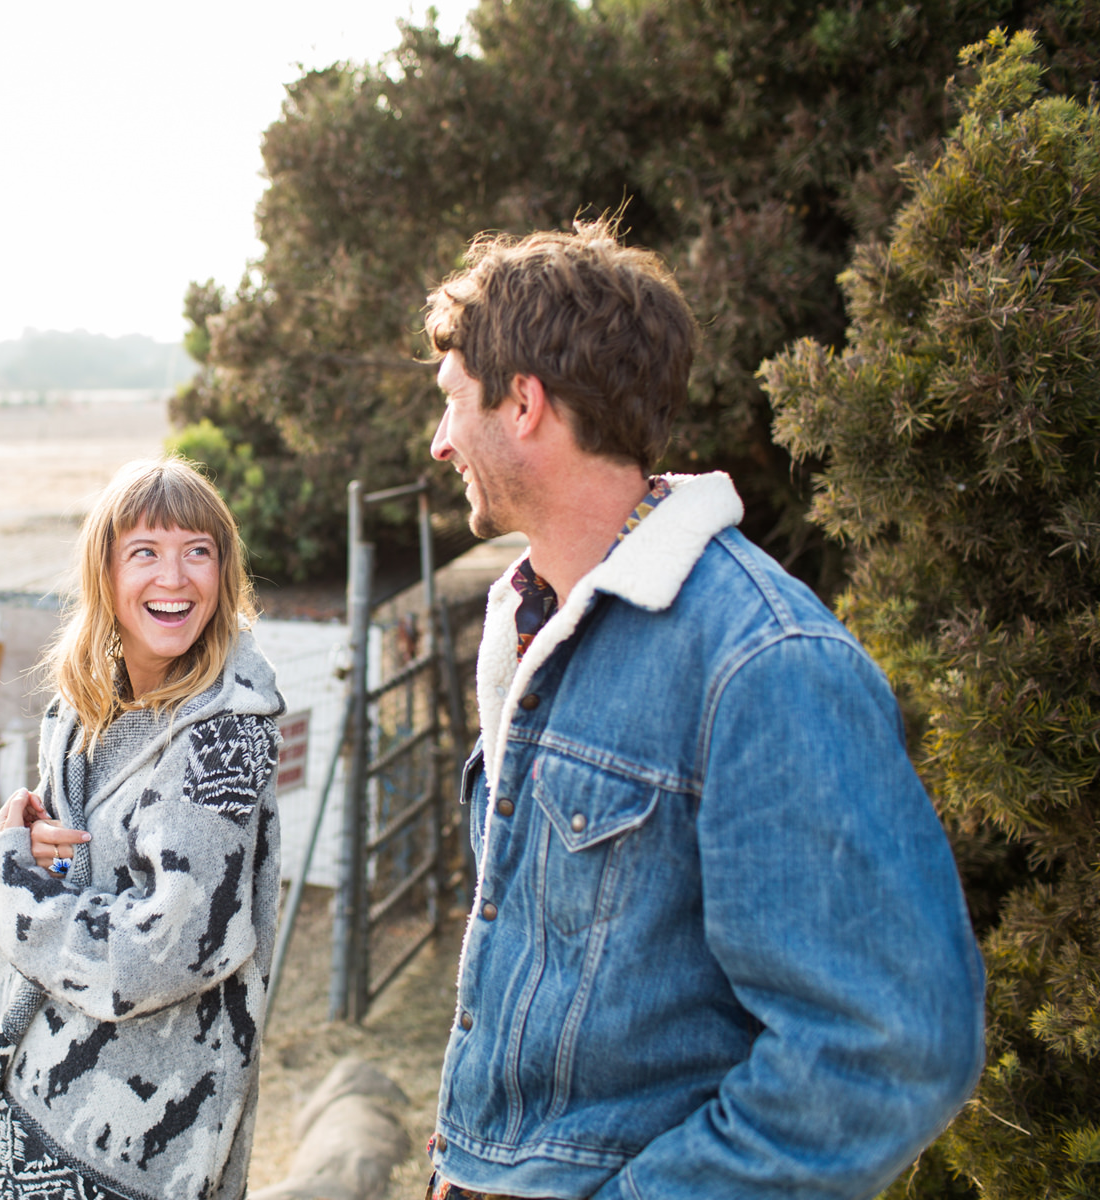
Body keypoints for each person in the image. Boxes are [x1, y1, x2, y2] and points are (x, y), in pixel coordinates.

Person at [419, 221, 985, 1199]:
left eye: (451, 401)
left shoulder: (767, 664)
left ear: (524, 403)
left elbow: (893, 1049)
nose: (439, 442)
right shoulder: (530, 617)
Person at [0, 456, 285, 1200]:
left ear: (223, 572)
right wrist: (27, 844)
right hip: (28, 1090)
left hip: (129, 1150)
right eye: (145, 552)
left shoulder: (223, 737)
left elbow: (162, 952)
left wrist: (10, 887)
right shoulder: (82, 712)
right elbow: (75, 865)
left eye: (198, 551)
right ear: (104, 572)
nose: (175, 577)